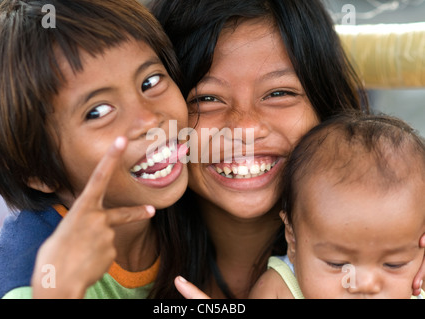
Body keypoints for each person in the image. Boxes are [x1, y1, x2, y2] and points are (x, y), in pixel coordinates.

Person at [151, 0, 425, 298]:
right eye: (206, 98)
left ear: (324, 104)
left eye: (279, 93)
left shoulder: (409, 263)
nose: (246, 128)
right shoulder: (117, 255)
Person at [0, 0, 189, 299]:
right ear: (36, 170)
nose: (149, 120)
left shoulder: (184, 214)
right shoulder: (26, 284)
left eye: (150, 81)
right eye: (98, 112)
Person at [248, 113, 425, 299]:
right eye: (337, 264)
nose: (365, 284)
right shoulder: (279, 290)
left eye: (394, 264)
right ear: (292, 239)